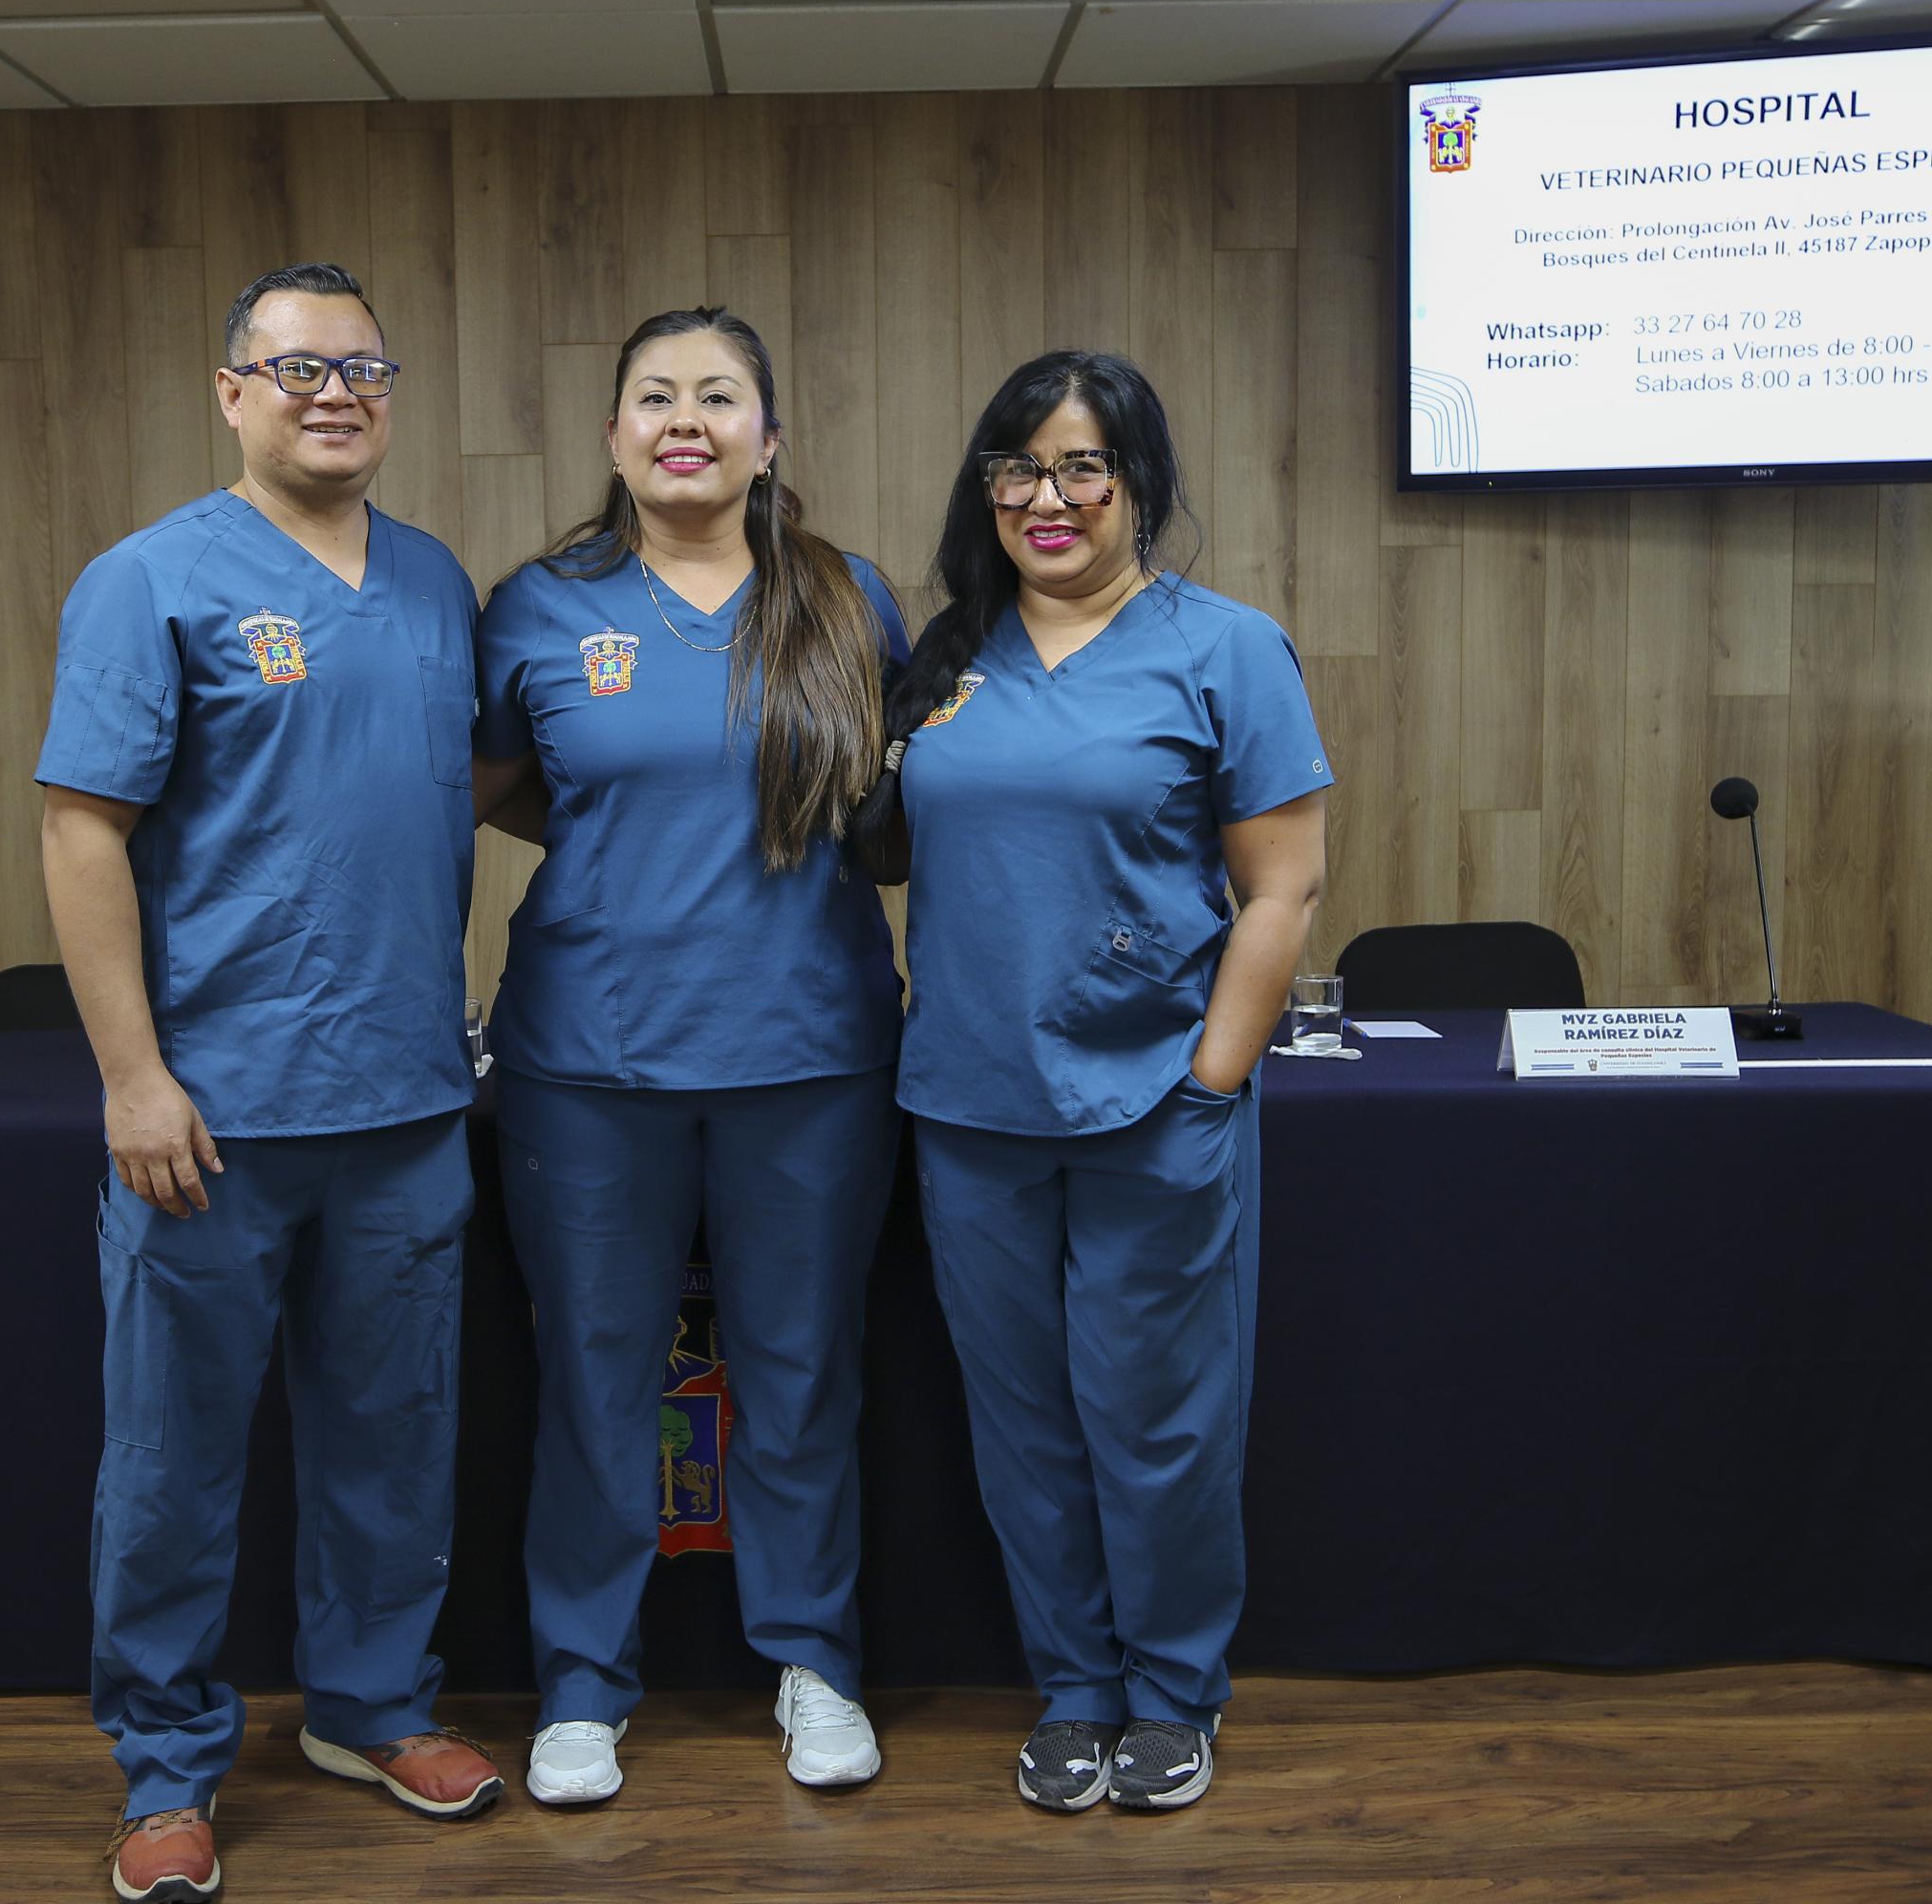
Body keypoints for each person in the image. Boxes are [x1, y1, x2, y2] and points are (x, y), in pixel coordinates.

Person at [39, 263, 504, 1904]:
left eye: (363, 368)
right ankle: (166, 1769)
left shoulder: (436, 582)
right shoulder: (150, 581)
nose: (335, 394)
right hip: (215, 1116)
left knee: (394, 1442)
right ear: (232, 390)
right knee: (173, 1464)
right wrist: (132, 1078)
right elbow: (81, 830)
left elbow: (465, 783)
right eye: (299, 368)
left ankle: (371, 1709)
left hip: (407, 1105)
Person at [857, 351, 1331, 1814]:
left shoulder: (1225, 648)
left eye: (1083, 467)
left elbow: (1284, 887)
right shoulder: (949, 654)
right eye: (1019, 467)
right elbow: (886, 846)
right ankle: (1073, 1688)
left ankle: (1173, 1692)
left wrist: (1212, 1078)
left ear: (1139, 481)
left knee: (1160, 1420)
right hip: (969, 1105)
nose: (1047, 498)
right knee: (1025, 1424)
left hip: (1152, 1103)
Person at [468, 307, 906, 1807]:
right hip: (590, 1068)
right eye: (655, 396)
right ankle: (584, 1685)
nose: (686, 421)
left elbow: (890, 805)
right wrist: (634, 848)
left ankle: (815, 1661)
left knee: (799, 1375)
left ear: (767, 440)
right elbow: (503, 787)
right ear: (614, 436)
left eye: (720, 398)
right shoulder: (541, 605)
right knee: (598, 1380)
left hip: (811, 1059)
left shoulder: (845, 597)